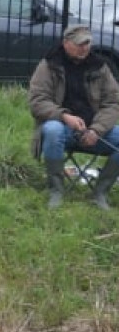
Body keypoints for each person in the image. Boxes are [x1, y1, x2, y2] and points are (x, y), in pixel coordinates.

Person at [29, 23, 119, 210]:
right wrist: (64, 117)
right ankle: (56, 190)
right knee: (52, 129)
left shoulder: (100, 67)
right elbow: (37, 101)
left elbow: (113, 103)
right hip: (61, 130)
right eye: (79, 43)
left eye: (87, 43)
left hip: (94, 132)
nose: (84, 48)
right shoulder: (49, 65)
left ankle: (100, 192)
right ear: (65, 43)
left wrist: (96, 129)